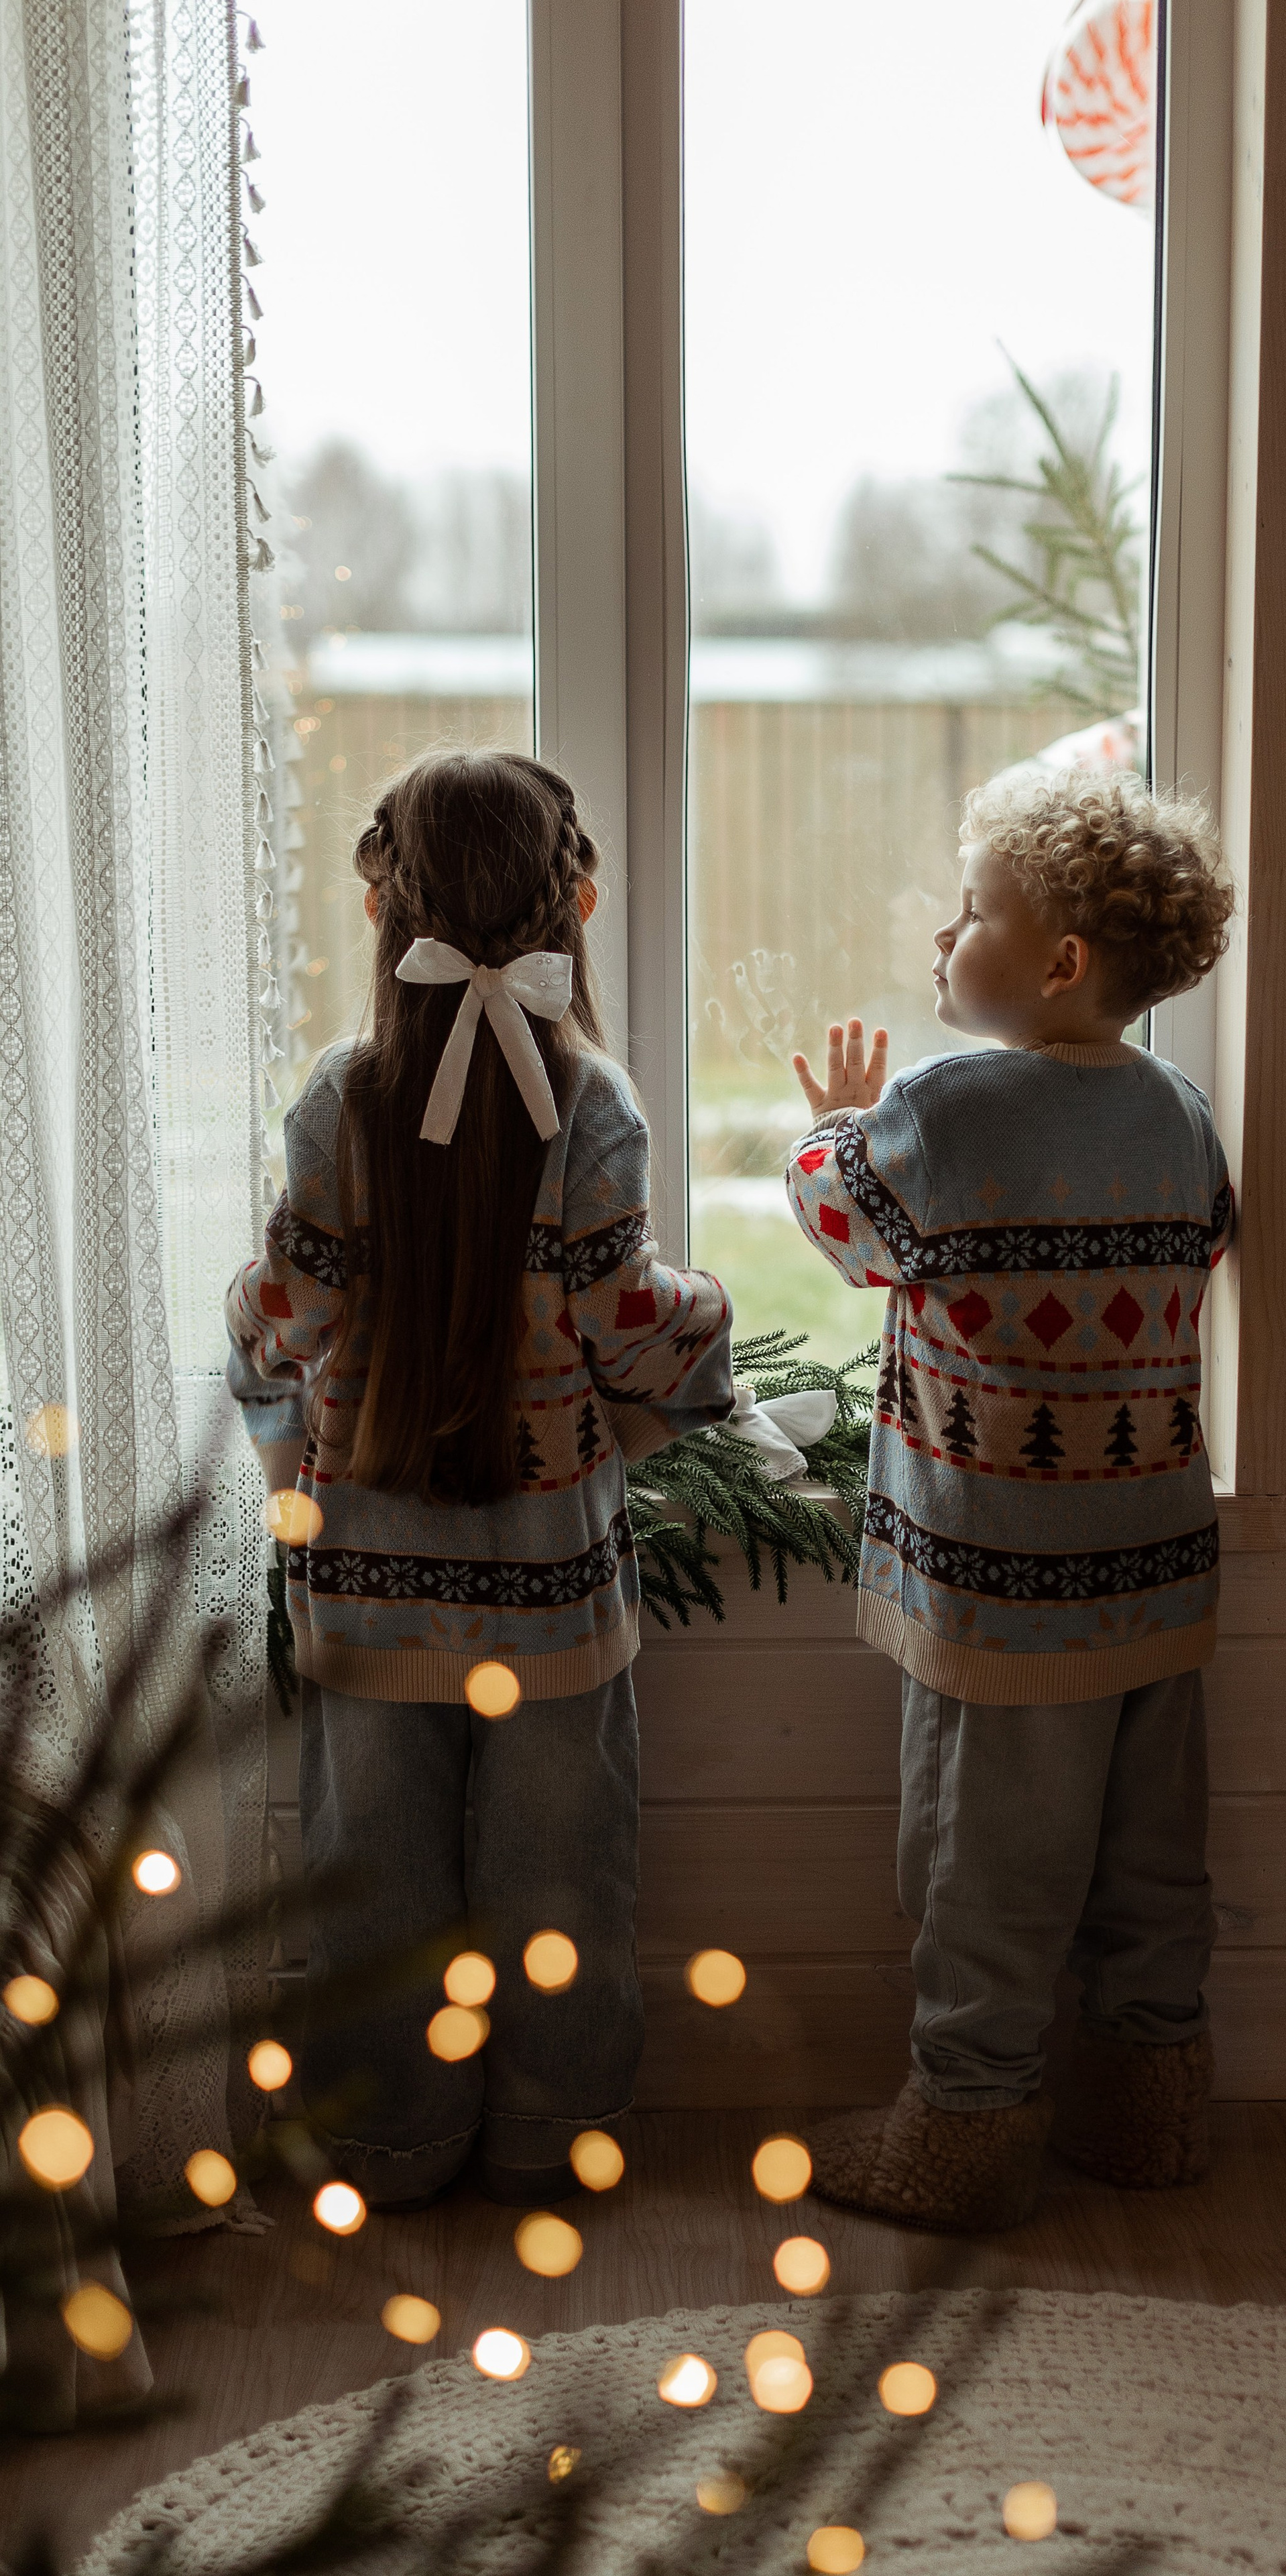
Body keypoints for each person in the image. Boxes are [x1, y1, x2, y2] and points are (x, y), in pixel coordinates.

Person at [226, 751, 732, 2208]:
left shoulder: (338, 1094)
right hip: (550, 1594)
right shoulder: (592, 1099)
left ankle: (387, 2143)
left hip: (370, 1585)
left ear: (382, 907)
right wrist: (705, 1322)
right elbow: (626, 1329)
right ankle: (550, 2139)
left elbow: (294, 1312)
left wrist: (243, 1334)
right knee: (560, 1883)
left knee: (373, 1887)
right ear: (575, 902)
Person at [785, 766, 1234, 2231]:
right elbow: (1203, 1245)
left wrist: (835, 1121)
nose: (940, 935)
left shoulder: (948, 1106)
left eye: (970, 910)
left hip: (1001, 1575)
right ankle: (1147, 2106)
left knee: (978, 1860)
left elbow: (850, 1230)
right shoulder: (1175, 1108)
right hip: (1157, 1561)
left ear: (1055, 961)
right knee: (1150, 1859)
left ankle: (963, 2128)